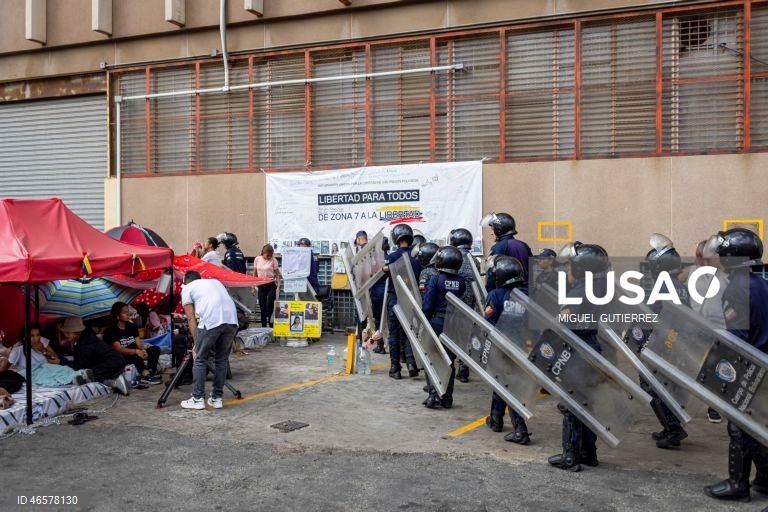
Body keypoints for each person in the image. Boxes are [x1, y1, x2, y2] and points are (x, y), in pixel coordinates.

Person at [704, 228, 768, 501]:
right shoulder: (761, 281)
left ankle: (737, 484)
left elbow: (738, 337)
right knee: (758, 424)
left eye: (722, 253)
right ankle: (765, 479)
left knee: (740, 426)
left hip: (749, 363)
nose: (719, 257)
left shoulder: (735, 288)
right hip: (764, 360)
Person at [547, 242, 609, 472]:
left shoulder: (580, 291)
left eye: (571, 266)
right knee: (587, 402)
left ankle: (570, 455)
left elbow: (563, 321)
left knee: (572, 402)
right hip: (590, 345)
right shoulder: (598, 286)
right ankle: (588, 452)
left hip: (578, 347)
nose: (567, 271)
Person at [641, 234, 690, 449]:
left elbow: (662, 317)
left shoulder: (665, 285)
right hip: (671, 342)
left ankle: (673, 428)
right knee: (665, 386)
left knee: (652, 384)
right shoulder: (673, 283)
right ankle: (670, 425)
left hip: (665, 343)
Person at [483, 256, 532, 445]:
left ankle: (520, 429)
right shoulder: (527, 294)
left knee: (507, 384)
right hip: (522, 344)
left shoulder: (496, 295)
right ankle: (495, 418)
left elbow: (488, 320)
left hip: (502, 344)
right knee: (504, 381)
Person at [180, 271, 239, 410]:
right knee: (221, 360)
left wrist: (196, 343)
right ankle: (217, 398)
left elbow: (191, 318)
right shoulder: (214, 282)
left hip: (212, 321)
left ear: (185, 281)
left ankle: (197, 398)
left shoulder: (187, 288)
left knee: (200, 358)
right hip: (231, 321)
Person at [421, 246, 465, 409]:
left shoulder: (436, 279)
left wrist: (422, 319)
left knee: (432, 358)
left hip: (437, 322)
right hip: (454, 324)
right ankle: (447, 397)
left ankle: (434, 394)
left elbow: (428, 304)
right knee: (449, 361)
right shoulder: (461, 282)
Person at [383, 223, 422, 379]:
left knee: (394, 333)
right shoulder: (416, 258)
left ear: (396, 239)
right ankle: (411, 363)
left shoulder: (392, 257)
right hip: (411, 298)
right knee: (409, 330)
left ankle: (395, 368)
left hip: (395, 297)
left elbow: (384, 273)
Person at [8, 324, 94, 387]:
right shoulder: (18, 349)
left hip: (48, 366)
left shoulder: (42, 341)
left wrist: (43, 350)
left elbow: (54, 356)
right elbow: (7, 366)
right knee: (51, 373)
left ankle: (80, 375)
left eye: (38, 335)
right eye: (32, 336)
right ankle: (75, 378)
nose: (36, 338)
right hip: (34, 371)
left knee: (63, 368)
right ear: (24, 337)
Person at [64, 316, 129, 395]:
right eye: (65, 332)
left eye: (68, 333)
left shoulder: (85, 344)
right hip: (114, 362)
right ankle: (115, 382)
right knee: (86, 376)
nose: (66, 335)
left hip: (112, 363)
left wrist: (62, 362)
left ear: (77, 333)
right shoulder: (84, 340)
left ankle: (115, 383)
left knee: (87, 376)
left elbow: (81, 365)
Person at [103, 302, 162, 386]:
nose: (128, 314)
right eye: (124, 312)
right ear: (117, 316)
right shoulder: (110, 331)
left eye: (128, 312)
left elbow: (138, 344)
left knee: (155, 349)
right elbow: (118, 349)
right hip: (122, 355)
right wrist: (136, 351)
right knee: (134, 355)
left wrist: (142, 350)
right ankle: (145, 375)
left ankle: (150, 372)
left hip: (134, 351)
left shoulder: (131, 326)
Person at [449, 227, 479, 383]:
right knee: (466, 336)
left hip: (456, 302)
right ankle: (464, 368)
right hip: (470, 304)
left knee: (453, 336)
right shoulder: (474, 260)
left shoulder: (453, 257)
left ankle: (454, 367)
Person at [481, 212, 532, 293]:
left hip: (509, 294)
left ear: (499, 229)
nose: (491, 232)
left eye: (492, 229)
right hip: (526, 293)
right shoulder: (524, 245)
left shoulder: (499, 247)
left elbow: (492, 274)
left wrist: (490, 294)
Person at [253, 244, 281, 328]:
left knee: (269, 306)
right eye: (267, 255)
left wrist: (278, 287)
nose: (269, 257)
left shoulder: (274, 260)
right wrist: (253, 286)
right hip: (261, 284)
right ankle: (264, 326)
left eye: (271, 255)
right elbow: (254, 273)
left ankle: (271, 325)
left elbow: (277, 274)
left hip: (271, 284)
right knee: (262, 307)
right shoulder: (257, 259)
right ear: (263, 253)